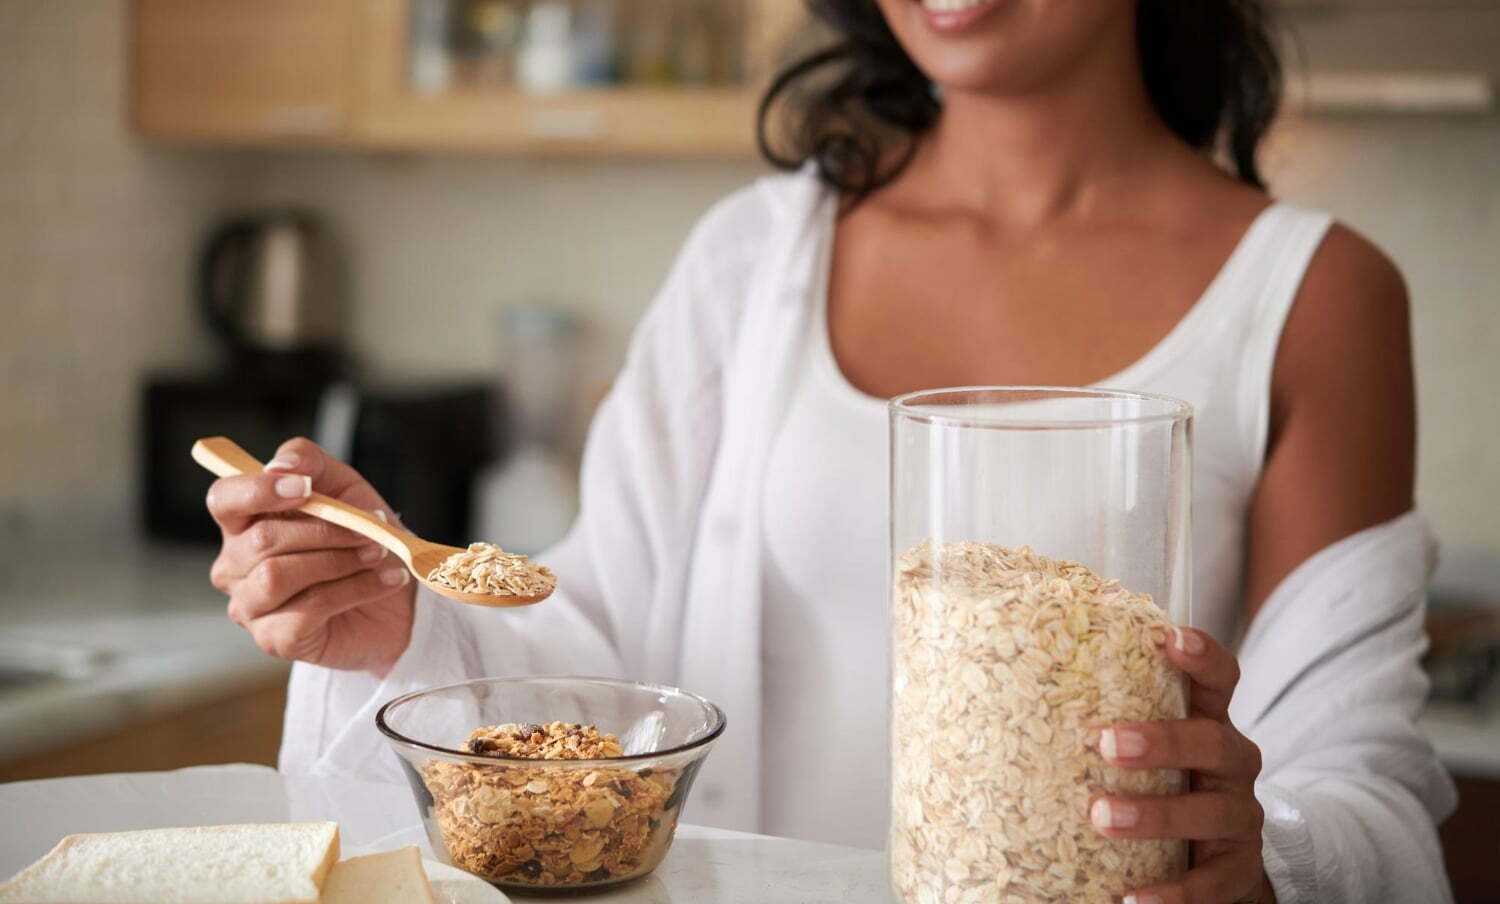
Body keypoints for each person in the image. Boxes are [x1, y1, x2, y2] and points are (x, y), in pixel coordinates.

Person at [205, 1, 1456, 901]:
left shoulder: (1313, 297)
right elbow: (603, 670)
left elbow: (1362, 789)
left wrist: (1270, 860)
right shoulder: (755, 258)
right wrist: (396, 631)